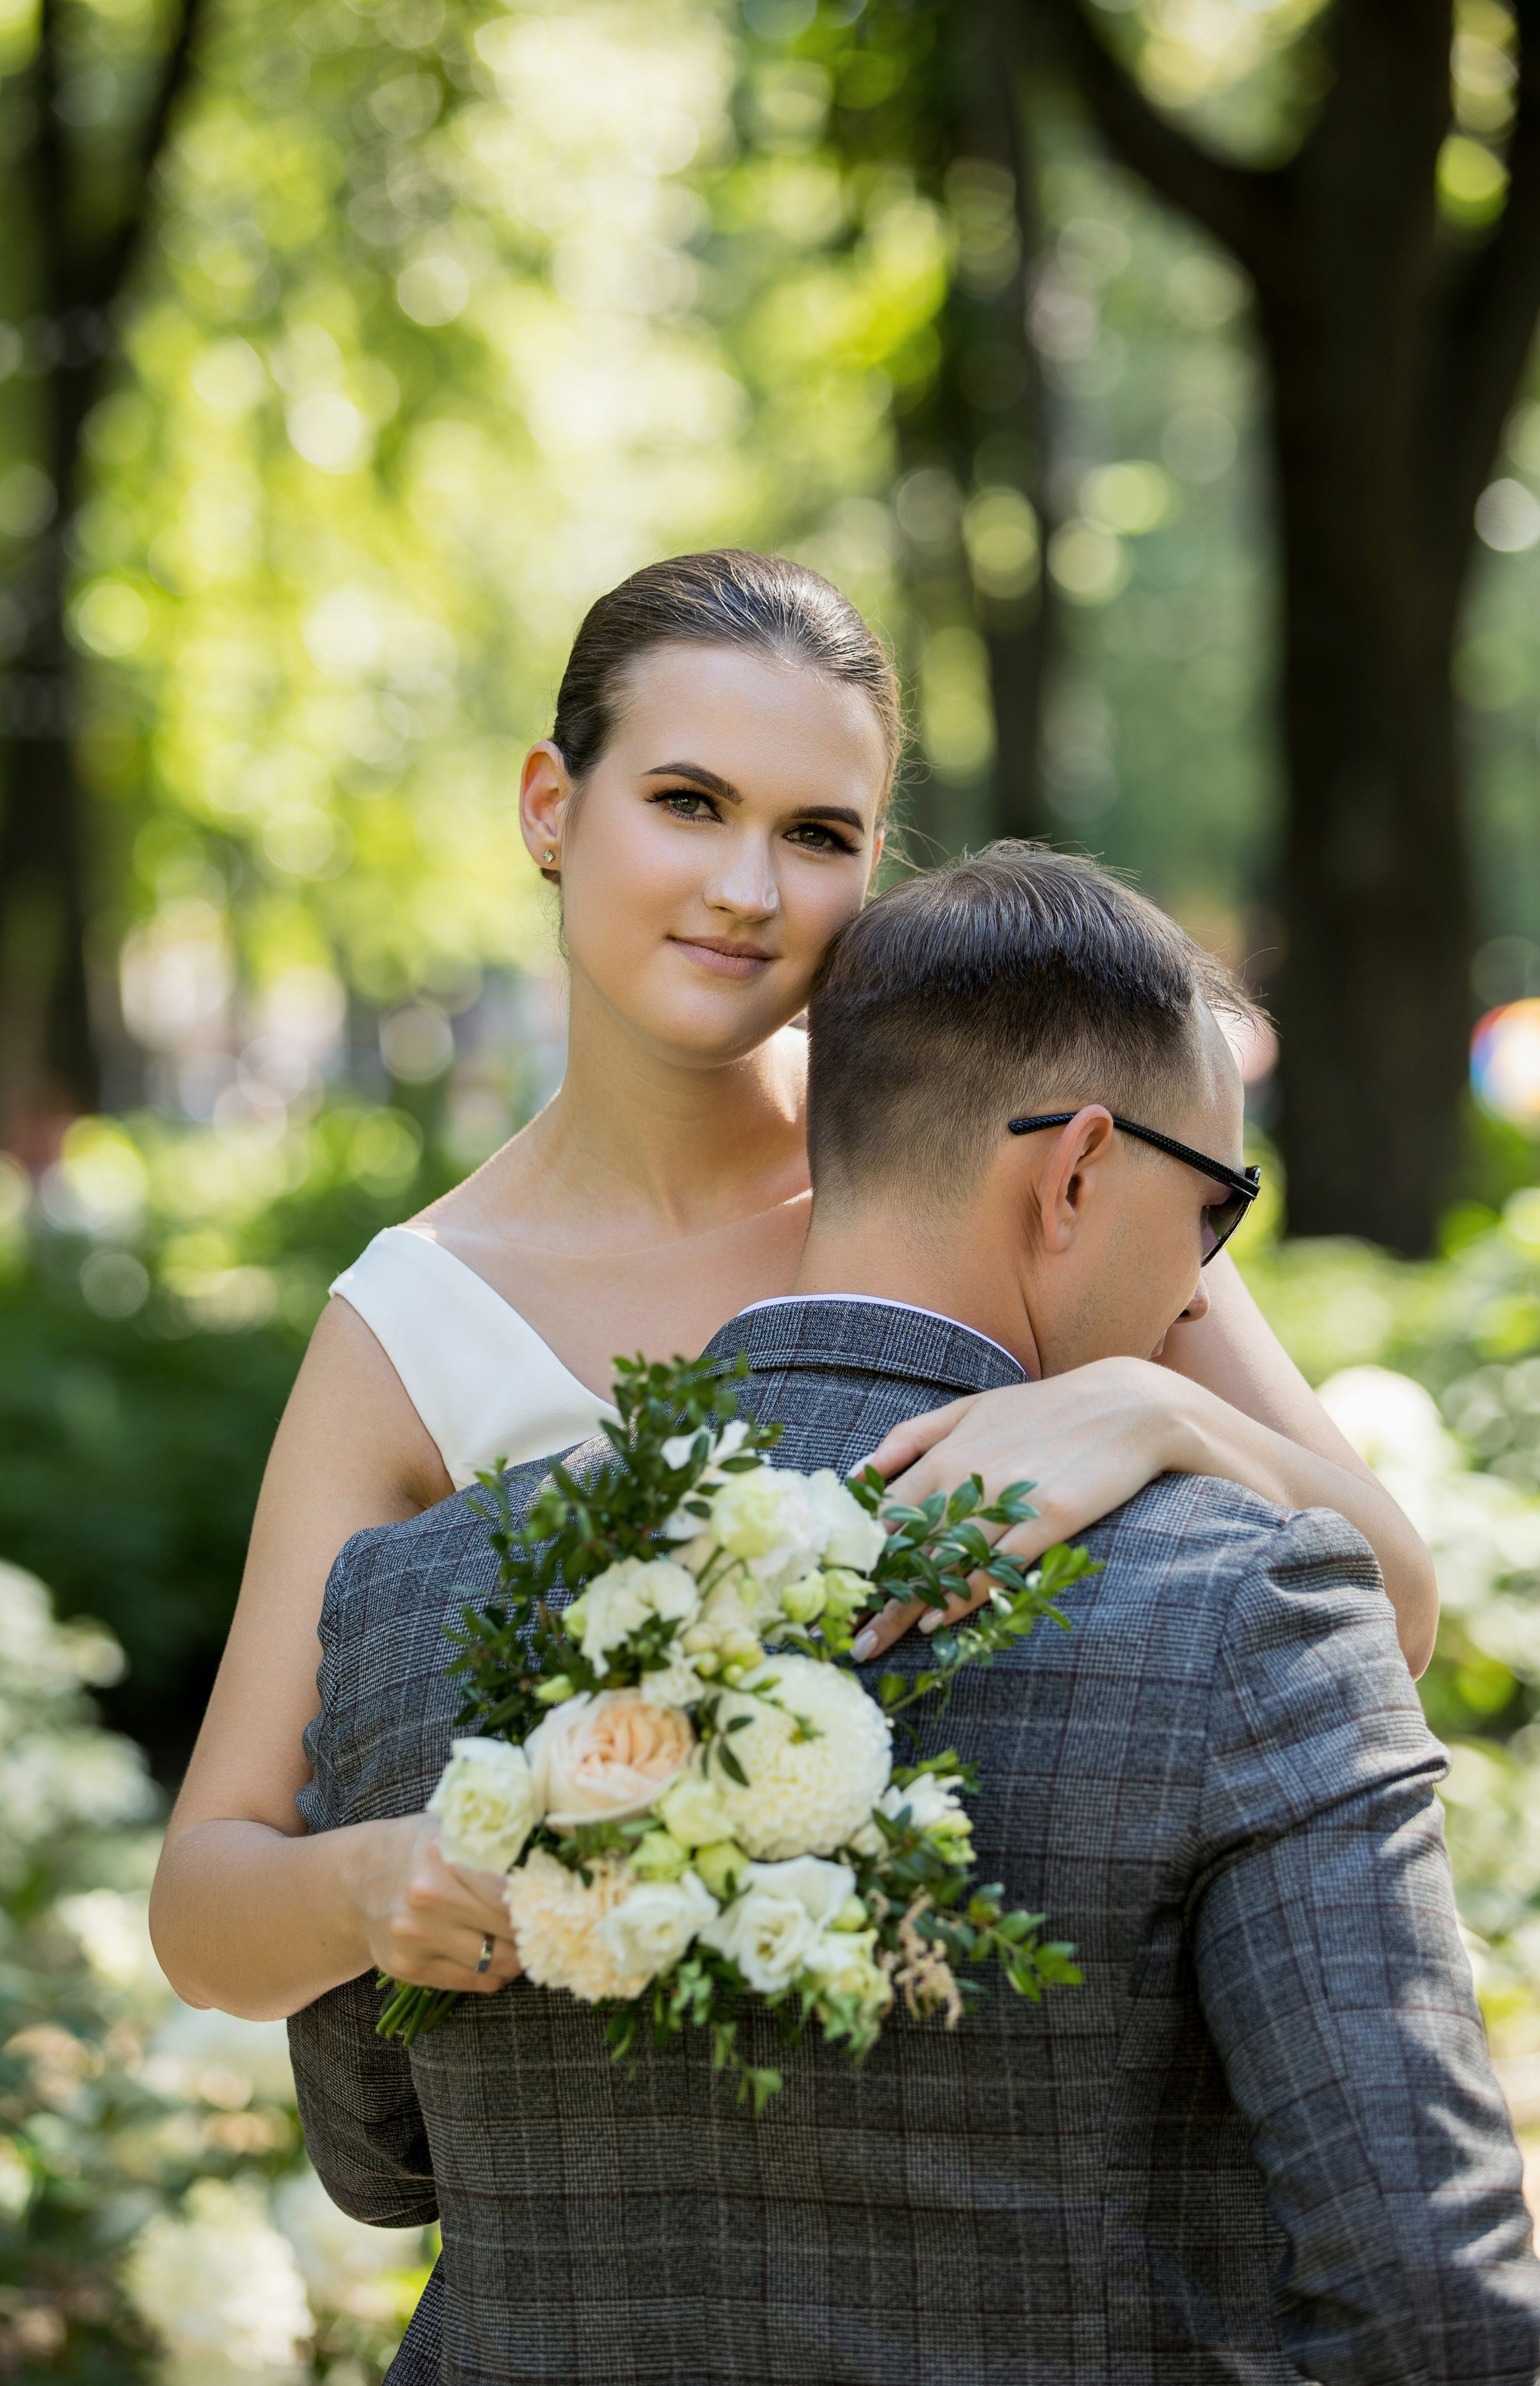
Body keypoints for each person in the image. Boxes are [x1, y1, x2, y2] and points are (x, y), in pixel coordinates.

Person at [289, 845, 1538, 2386]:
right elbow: (1427, 2309)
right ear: (1075, 1172)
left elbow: (377, 2163)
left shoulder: (420, 1595)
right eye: (1213, 1215)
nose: (1196, 1296)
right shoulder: (1243, 1605)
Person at [150, 551, 1434, 2026]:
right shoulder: (419, 1324)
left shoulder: (1001, 1147)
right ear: (550, 808)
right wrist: (371, 1880)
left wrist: (1162, 1414)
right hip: (632, 2116)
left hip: (1058, 2055)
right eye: (687, 803)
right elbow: (203, 1907)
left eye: (817, 834)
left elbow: (1390, 1611)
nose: (746, 892)